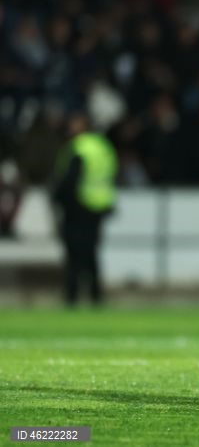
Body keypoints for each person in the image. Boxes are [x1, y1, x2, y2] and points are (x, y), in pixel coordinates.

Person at [51, 112, 118, 306]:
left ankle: (72, 297)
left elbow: (69, 181)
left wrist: (57, 199)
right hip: (99, 206)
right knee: (91, 253)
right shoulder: (103, 147)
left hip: (78, 207)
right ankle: (95, 296)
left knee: (74, 254)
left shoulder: (79, 147)